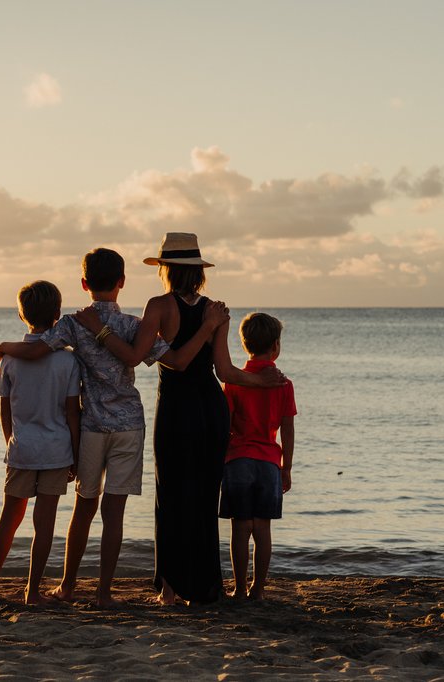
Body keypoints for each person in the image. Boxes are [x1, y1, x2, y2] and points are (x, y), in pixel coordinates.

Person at [0, 248, 226, 607]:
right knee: (113, 512)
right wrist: (208, 328)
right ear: (122, 282)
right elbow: (177, 361)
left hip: (92, 426)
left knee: (85, 508)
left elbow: (37, 350)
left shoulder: (71, 323)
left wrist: (3, 347)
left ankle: (68, 586)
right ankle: (103, 593)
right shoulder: (133, 325)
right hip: (130, 425)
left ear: (84, 283)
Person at [74, 233, 284, 605]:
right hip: (210, 410)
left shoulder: (158, 306)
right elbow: (224, 371)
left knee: (172, 496)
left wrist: (98, 329)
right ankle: (202, 587)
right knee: (202, 499)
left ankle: (171, 589)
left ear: (166, 271)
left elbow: (141, 356)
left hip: (178, 409)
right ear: (198, 274)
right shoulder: (214, 310)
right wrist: (259, 379)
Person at [0, 281, 81, 604]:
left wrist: (11, 441)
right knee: (43, 525)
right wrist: (75, 453)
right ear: (58, 315)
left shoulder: (9, 360)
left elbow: (5, 409)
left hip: (23, 448)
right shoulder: (68, 362)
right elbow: (72, 412)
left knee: (9, 519)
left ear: (22, 315)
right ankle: (32, 591)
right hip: (56, 450)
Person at [220, 312, 296, 600]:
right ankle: (259, 589)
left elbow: (225, 424)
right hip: (267, 462)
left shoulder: (236, 381)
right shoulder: (283, 384)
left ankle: (239, 588)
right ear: (275, 346)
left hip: (238, 459)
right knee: (262, 527)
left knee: (240, 527)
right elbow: (287, 429)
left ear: (244, 345)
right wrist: (286, 468)